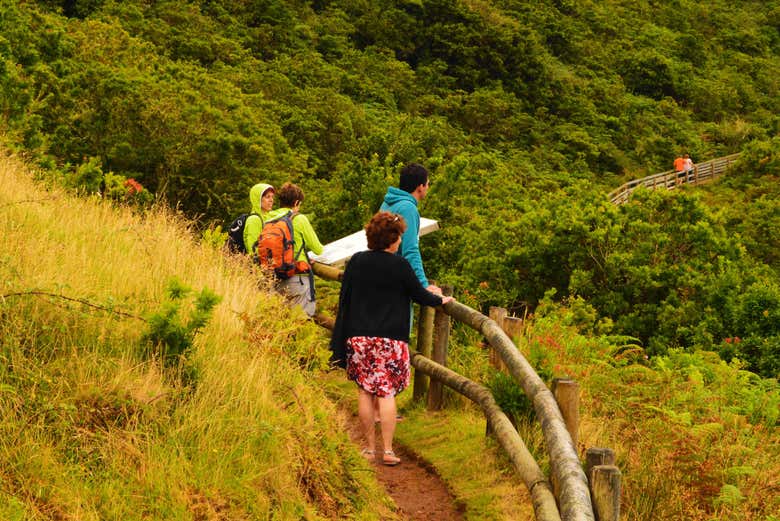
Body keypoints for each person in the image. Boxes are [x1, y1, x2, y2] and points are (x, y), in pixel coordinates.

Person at [330, 212, 454, 466]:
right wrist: (441, 299)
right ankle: (387, 450)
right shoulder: (400, 265)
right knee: (386, 393)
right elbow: (420, 295)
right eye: (399, 236)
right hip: (390, 339)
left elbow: (346, 297)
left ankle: (368, 449)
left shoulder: (356, 261)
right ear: (393, 238)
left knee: (365, 391)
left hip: (359, 337)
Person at [380, 163, 441, 295]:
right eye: (427, 184)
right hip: (394, 286)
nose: (428, 187)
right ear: (420, 187)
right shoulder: (408, 209)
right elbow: (410, 250)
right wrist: (423, 285)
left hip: (380, 277)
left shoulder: (388, 203)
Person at [274, 182, 324, 317]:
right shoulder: (299, 218)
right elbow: (318, 249)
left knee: (283, 321)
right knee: (301, 321)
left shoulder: (270, 218)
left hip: (275, 278)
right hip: (297, 277)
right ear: (296, 202)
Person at [243, 183, 286, 256]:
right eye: (267, 197)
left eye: (272, 197)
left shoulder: (269, 216)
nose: (271, 200)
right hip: (260, 262)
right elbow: (253, 249)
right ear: (258, 199)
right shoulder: (254, 220)